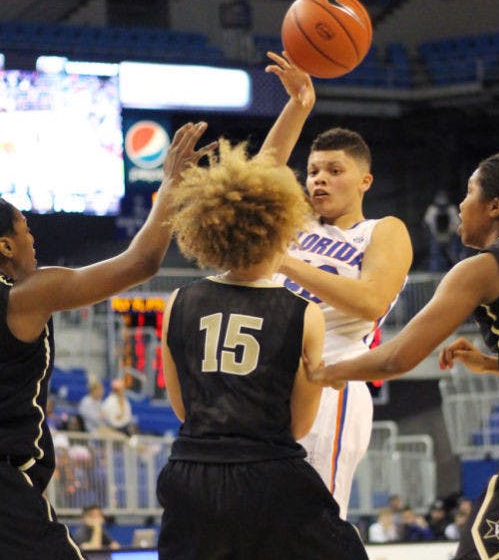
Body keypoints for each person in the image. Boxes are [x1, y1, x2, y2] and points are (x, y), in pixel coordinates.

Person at [309, 158, 499, 559]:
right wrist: (497, 364)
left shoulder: (485, 267)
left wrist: (326, 371)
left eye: (470, 191)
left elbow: (396, 359)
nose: (460, 204)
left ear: (494, 207)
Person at [0, 121, 214, 559]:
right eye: (24, 229)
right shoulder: (24, 296)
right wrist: (171, 184)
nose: (32, 238)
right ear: (5, 245)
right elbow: (142, 262)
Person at [156, 140, 368, 559]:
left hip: (191, 474)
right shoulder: (305, 313)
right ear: (282, 229)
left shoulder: (177, 301)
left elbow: (183, 408)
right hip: (269, 473)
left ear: (208, 229)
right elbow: (300, 425)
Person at [263, 51, 413, 519]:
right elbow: (262, 171)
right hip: (271, 374)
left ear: (364, 180)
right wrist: (299, 105)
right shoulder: (296, 222)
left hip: (333, 377)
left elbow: (370, 302)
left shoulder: (382, 230)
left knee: (312, 523)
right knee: (264, 522)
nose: (319, 180)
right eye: (313, 171)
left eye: (334, 171)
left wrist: (285, 264)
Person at [423, 189, 461, 270]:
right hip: (436, 236)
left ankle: (455, 271)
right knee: (435, 255)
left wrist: (453, 235)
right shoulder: (432, 209)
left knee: (454, 255)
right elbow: (427, 224)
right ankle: (435, 272)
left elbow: (457, 224)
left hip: (450, 237)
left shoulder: (452, 209)